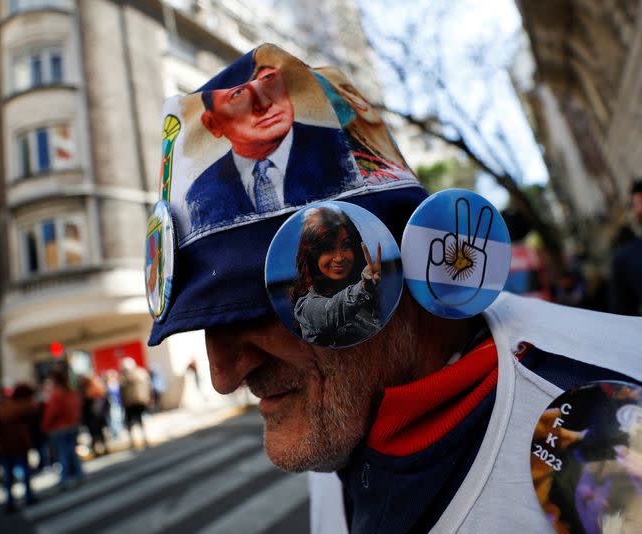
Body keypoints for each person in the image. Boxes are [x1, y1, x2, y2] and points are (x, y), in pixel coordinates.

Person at [145, 45, 642, 533]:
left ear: (397, 259)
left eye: (250, 311)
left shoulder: (619, 401)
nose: (222, 376)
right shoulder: (342, 431)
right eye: (206, 323)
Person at [185, 45, 359, 234]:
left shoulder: (342, 150)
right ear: (212, 123)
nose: (264, 103)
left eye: (269, 80)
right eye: (237, 94)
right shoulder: (200, 194)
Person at [290, 206, 382, 347]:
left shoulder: (366, 299)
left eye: (346, 246)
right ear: (312, 255)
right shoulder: (305, 308)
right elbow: (330, 312)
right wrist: (364, 286)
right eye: (328, 248)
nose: (339, 258)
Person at [0, 383, 38, 511]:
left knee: (9, 474)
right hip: (18, 444)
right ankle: (27, 496)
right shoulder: (17, 406)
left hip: (4, 446)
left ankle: (10, 500)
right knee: (24, 471)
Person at [41, 365, 84, 490]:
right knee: (71, 451)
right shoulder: (71, 391)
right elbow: (76, 408)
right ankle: (79, 474)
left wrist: (45, 425)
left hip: (60, 427)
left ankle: (65, 479)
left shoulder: (57, 394)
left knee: (63, 454)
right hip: (71, 425)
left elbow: (51, 412)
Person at [609, 179, 642, 315]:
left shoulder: (626, 259)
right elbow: (623, 315)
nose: (637, 211)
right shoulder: (625, 260)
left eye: (636, 204)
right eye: (635, 205)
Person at [119, 358, 151, 450]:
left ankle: (135, 442)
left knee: (132, 423)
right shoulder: (141, 373)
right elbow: (148, 387)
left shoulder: (124, 377)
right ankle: (143, 439)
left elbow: (122, 392)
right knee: (140, 421)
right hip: (140, 401)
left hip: (131, 403)